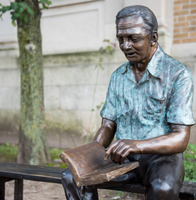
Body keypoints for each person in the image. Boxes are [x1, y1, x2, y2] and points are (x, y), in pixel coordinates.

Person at [62, 5, 195, 200]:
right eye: (121, 39)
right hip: (123, 158)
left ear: (154, 38)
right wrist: (88, 156)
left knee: (163, 188)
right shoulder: (118, 77)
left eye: (134, 38)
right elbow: (108, 125)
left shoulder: (178, 74)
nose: (125, 45)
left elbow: (181, 138)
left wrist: (136, 145)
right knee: (72, 177)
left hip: (162, 159)